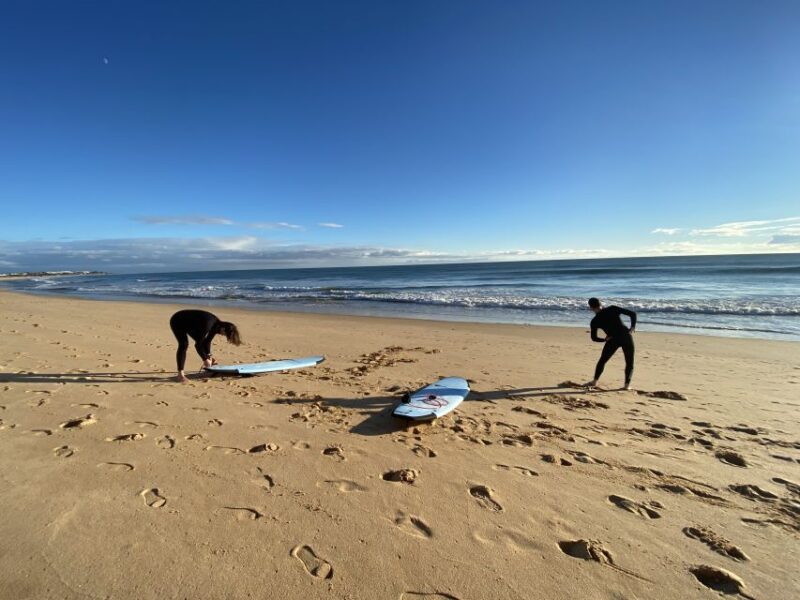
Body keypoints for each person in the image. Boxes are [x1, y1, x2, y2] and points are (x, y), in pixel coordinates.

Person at [169, 309, 241, 383]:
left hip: (190, 323)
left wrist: (209, 356)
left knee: (201, 342)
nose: (223, 335)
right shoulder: (208, 324)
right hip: (177, 320)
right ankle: (180, 375)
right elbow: (197, 345)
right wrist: (205, 359)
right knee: (184, 344)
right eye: (225, 334)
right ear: (223, 328)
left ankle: (209, 361)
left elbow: (207, 342)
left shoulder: (216, 325)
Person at [585, 297, 637, 390]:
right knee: (629, 362)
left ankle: (594, 381)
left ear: (591, 308)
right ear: (600, 304)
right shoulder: (612, 309)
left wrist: (604, 340)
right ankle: (626, 386)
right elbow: (633, 314)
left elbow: (594, 338)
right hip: (626, 337)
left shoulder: (595, 321)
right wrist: (632, 327)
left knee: (602, 361)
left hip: (612, 340)